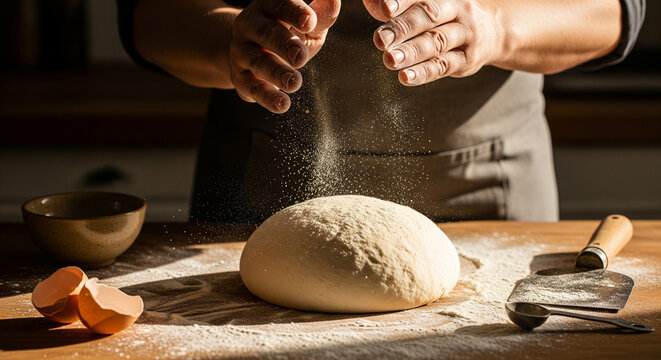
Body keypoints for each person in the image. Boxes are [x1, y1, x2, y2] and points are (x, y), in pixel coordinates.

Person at [117, 0, 644, 222]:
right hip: (260, 189)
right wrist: (232, 42)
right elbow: (145, 14)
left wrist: (496, 26)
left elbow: (618, 11)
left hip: (487, 189)